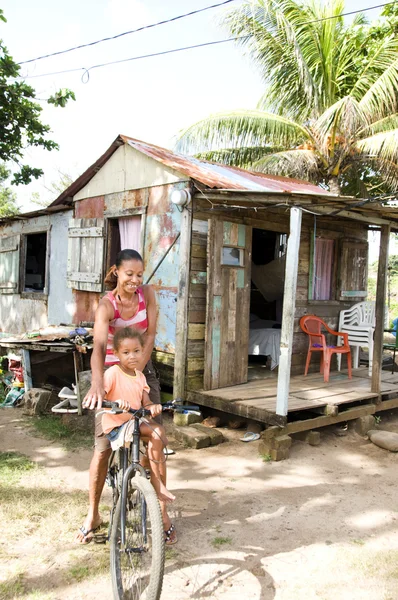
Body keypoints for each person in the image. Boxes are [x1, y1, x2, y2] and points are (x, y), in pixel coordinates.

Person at [76, 249, 177, 545]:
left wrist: (139, 374)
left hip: (143, 369)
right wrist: (97, 384)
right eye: (129, 274)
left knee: (156, 435)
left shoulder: (148, 294)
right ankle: (93, 513)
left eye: (139, 275)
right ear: (117, 272)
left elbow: (150, 336)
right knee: (103, 446)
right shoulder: (107, 305)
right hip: (111, 371)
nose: (135, 280)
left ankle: (160, 510)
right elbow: (97, 348)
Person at [100, 327, 176, 543]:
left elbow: (146, 401)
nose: (132, 356)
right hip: (116, 424)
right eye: (126, 352)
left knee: (159, 434)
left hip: (134, 421)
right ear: (116, 353)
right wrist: (116, 403)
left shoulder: (141, 376)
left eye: (136, 351)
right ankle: (157, 484)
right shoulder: (113, 373)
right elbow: (102, 396)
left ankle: (156, 482)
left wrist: (153, 406)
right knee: (156, 432)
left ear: (143, 352)